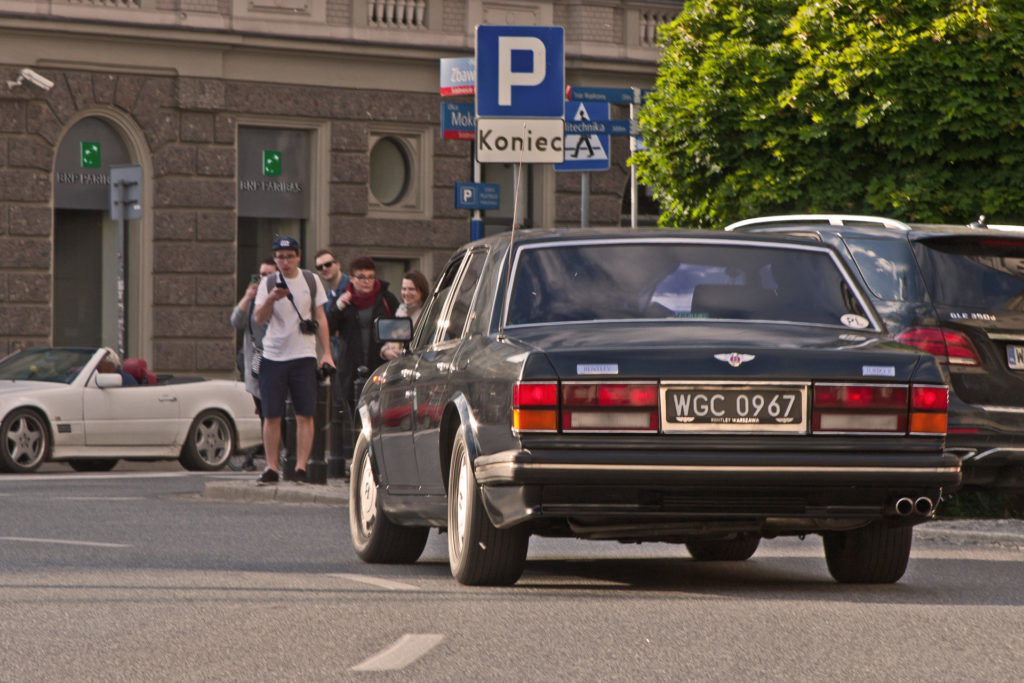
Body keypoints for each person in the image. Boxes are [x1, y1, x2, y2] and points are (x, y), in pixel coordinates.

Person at [252, 236, 334, 486]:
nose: (284, 262)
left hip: (304, 355)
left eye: (289, 257)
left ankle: (301, 467)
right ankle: (272, 467)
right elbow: (258, 318)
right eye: (280, 257)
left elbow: (319, 315)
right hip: (273, 356)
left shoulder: (311, 280)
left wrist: (327, 353)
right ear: (275, 259)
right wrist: (271, 299)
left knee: (305, 414)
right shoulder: (268, 283)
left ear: (298, 256)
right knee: (271, 414)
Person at [328, 256, 399, 439]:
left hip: (379, 365)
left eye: (370, 277)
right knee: (355, 416)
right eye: (361, 277)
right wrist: (339, 306)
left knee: (378, 414)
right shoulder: (345, 300)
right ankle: (358, 457)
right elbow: (327, 327)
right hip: (350, 368)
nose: (366, 281)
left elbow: (399, 327)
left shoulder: (386, 298)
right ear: (351, 278)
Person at [230, 257, 278, 470]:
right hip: (256, 365)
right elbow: (236, 321)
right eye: (261, 274)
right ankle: (258, 457)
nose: (263, 279)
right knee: (262, 411)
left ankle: (278, 457)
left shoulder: (282, 298)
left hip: (278, 362)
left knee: (276, 413)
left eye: (268, 274)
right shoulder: (253, 300)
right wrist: (248, 297)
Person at [381, 270, 429, 361]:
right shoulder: (401, 310)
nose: (406, 293)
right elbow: (392, 338)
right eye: (404, 288)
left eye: (411, 289)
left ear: (422, 291)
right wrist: (385, 351)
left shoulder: (427, 313)